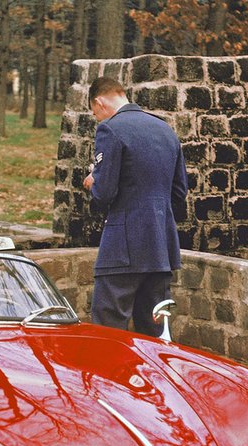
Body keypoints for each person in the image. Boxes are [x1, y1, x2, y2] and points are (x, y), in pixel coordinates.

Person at [82, 76, 188, 337]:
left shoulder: (111, 129)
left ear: (99, 102)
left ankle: (109, 379)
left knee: (108, 329)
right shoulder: (165, 130)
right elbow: (179, 191)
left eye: (96, 113)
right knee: (155, 332)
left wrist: (93, 181)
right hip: (161, 246)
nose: (98, 119)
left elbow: (104, 193)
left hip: (122, 247)